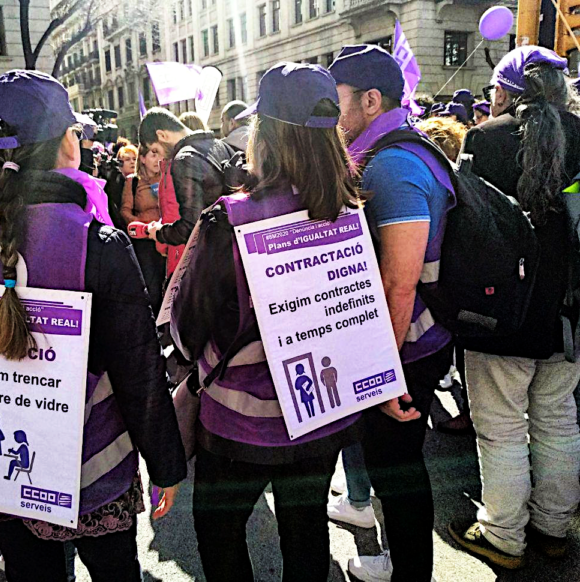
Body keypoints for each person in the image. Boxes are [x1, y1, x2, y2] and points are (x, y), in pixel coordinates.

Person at [0, 70, 186, 582]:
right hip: (93, 465)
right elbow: (139, 370)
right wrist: (166, 465)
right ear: (66, 143)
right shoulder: (99, 244)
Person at [170, 62, 364, 582]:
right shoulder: (352, 216)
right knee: (306, 531)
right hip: (325, 413)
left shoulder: (226, 221)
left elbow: (187, 335)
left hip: (239, 422)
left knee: (221, 533)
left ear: (265, 134)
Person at [447, 46, 580, 570]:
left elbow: (464, 226)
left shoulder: (483, 137)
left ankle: (503, 534)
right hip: (569, 311)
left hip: (499, 311)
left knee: (500, 425)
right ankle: (553, 527)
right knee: (558, 419)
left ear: (504, 91)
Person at [331, 44, 455, 582]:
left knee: (399, 472)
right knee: (393, 468)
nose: (330, 117)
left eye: (336, 103)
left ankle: (409, 572)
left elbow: (398, 285)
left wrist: (383, 380)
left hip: (409, 348)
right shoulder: (398, 150)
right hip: (411, 343)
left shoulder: (394, 164)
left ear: (371, 101)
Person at [138, 107, 234, 276]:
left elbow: (190, 227)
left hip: (212, 263)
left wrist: (159, 233)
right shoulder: (220, 145)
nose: (159, 157)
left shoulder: (183, 159)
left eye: (155, 149)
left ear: (162, 135)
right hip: (233, 252)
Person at [120, 144, 166, 313]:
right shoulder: (133, 181)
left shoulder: (167, 178)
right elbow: (125, 210)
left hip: (165, 236)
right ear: (143, 159)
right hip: (144, 241)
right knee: (151, 286)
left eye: (160, 154)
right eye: (153, 155)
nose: (158, 159)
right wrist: (141, 226)